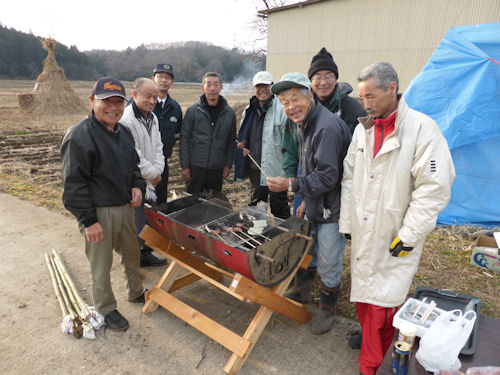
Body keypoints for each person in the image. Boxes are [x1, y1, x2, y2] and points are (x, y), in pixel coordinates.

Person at [338, 62, 455, 375]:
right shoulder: (363, 129)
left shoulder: (422, 129)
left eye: (372, 96)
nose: (366, 104)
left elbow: (433, 189)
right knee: (366, 302)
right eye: (363, 97)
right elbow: (350, 175)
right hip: (364, 232)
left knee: (384, 306)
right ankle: (376, 354)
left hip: (394, 235)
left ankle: (373, 364)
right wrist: (348, 223)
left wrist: (410, 234)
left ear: (392, 89)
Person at [267, 72, 351, 334]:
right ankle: (302, 293)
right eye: (284, 102)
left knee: (328, 259)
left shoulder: (326, 127)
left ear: (310, 97)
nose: (290, 107)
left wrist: (291, 186)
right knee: (307, 249)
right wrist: (304, 198)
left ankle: (328, 309)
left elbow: (327, 176)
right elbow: (308, 165)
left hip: (333, 208)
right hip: (316, 201)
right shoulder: (303, 123)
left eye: (295, 99)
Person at [61, 77, 146, 332]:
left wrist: (136, 186)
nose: (113, 107)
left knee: (133, 253)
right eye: (106, 101)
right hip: (98, 212)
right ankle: (106, 308)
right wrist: (88, 220)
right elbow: (73, 185)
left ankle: (136, 291)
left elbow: (133, 167)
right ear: (92, 101)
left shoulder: (124, 132)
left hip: (124, 208)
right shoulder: (79, 136)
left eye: (118, 102)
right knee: (101, 264)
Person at [282, 47, 366, 215]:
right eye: (317, 77)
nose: (323, 82)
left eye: (329, 76)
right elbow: (290, 149)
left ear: (336, 79)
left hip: (337, 179)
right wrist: (292, 180)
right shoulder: (298, 108)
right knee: (304, 226)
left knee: (329, 228)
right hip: (305, 173)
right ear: (310, 81)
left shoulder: (352, 109)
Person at [120, 78, 167, 267]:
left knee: (146, 220)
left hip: (149, 178)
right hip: (134, 179)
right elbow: (134, 154)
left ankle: (145, 254)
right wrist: (152, 174)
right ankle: (132, 261)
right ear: (135, 95)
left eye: (155, 97)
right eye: (148, 96)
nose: (152, 101)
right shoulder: (126, 120)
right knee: (134, 223)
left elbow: (158, 147)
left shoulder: (152, 118)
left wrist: (158, 170)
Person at [234, 71, 290, 219]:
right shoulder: (249, 109)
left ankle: (283, 238)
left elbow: (290, 144)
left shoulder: (282, 110)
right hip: (255, 168)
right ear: (254, 89)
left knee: (279, 207)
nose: (262, 89)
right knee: (256, 208)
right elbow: (244, 133)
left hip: (276, 169)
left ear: (272, 86)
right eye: (258, 86)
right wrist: (243, 145)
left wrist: (287, 173)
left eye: (265, 85)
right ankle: (258, 237)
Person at [179, 72, 236, 194]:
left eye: (216, 84)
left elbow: (231, 141)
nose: (212, 88)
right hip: (196, 166)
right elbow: (184, 139)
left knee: (213, 203)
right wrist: (185, 166)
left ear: (220, 87)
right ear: (202, 87)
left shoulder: (229, 113)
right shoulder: (193, 111)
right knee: (192, 202)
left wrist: (228, 165)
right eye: (208, 84)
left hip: (217, 168)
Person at [151, 64, 183, 204]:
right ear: (153, 79)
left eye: (167, 77)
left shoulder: (175, 108)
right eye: (160, 76)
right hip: (139, 165)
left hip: (163, 164)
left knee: (160, 202)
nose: (164, 80)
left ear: (172, 82)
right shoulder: (140, 103)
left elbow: (177, 135)